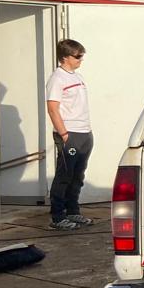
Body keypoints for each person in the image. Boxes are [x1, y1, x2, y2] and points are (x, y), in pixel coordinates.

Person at [45, 39, 93, 230]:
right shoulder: (57, 79)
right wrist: (64, 135)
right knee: (64, 175)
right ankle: (58, 216)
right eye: (77, 56)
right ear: (65, 57)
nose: (81, 59)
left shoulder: (77, 77)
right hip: (69, 133)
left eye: (82, 55)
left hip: (84, 133)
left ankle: (73, 211)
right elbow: (53, 109)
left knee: (78, 175)